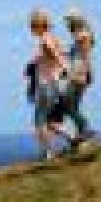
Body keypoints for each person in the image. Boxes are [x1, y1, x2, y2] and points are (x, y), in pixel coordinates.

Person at [26, 9, 70, 161]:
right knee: (49, 121)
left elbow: (55, 55)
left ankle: (47, 152)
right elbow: (57, 54)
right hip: (54, 83)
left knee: (40, 120)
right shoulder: (53, 39)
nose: (31, 29)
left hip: (47, 84)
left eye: (32, 26)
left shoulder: (45, 40)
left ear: (39, 26)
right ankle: (74, 138)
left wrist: (64, 67)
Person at [60, 8, 98, 144]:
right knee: (72, 105)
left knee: (68, 104)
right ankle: (82, 132)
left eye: (69, 21)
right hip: (74, 73)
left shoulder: (83, 35)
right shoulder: (79, 35)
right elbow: (73, 55)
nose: (67, 24)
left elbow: (86, 56)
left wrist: (89, 72)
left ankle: (84, 128)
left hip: (78, 73)